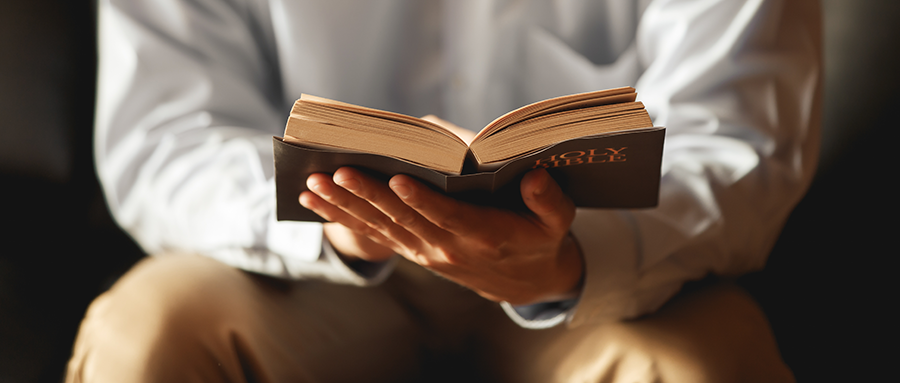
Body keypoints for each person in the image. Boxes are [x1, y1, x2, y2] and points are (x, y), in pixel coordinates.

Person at [67, 0, 821, 381]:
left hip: (605, 267)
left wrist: (565, 264)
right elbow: (162, 134)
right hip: (309, 266)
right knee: (144, 340)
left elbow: (741, 140)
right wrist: (335, 219)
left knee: (703, 368)